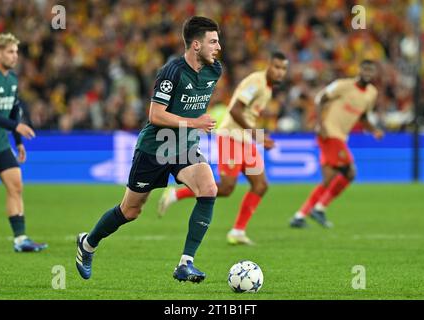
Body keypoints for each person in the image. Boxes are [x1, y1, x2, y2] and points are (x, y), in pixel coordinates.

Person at [75, 16, 222, 283]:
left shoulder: (215, 70)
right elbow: (155, 114)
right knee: (130, 211)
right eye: (213, 41)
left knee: (209, 188)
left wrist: (190, 128)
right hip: (155, 147)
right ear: (196, 45)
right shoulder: (172, 71)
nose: (218, 46)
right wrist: (194, 122)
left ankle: (185, 263)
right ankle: (88, 243)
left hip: (184, 147)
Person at [158, 52, 288, 245]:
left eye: (283, 69)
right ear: (268, 65)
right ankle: (176, 194)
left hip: (244, 140)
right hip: (231, 138)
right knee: (227, 187)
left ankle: (237, 232)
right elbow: (235, 110)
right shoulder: (256, 82)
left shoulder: (267, 88)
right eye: (277, 67)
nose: (280, 72)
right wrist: (257, 135)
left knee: (260, 185)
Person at [289, 60, 384, 228]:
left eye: (371, 70)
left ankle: (300, 215)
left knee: (329, 178)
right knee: (350, 171)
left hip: (340, 136)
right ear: (359, 70)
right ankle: (319, 208)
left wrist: (374, 130)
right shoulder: (343, 85)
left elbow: (363, 117)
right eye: (365, 69)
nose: (368, 73)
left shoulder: (371, 93)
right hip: (329, 132)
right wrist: (320, 124)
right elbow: (320, 99)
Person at [0, 33, 47, 252]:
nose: (15, 56)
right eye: (10, 52)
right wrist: (15, 128)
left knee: (16, 186)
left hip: (1, 145)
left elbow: (14, 111)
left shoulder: (12, 80)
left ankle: (21, 239)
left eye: (16, 52)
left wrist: (18, 141)